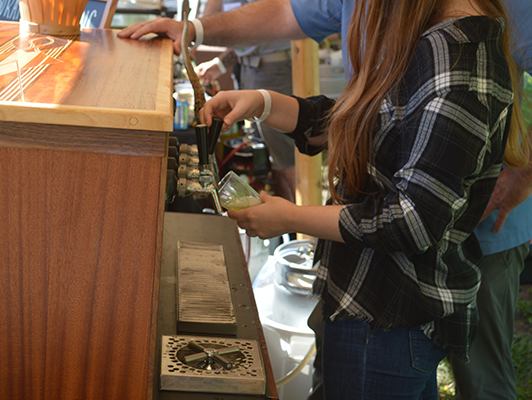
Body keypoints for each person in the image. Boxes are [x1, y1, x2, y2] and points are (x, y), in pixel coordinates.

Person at [119, 0, 532, 398]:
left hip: (388, 316)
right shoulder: (432, 37)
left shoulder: (457, 67)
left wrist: (291, 217)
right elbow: (372, 123)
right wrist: (265, 104)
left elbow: (413, 219)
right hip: (367, 302)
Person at [196, 0, 296, 202]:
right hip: (250, 68)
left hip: (271, 70)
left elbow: (251, 25)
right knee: (263, 149)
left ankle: (295, 222)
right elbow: (245, 40)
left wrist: (194, 32)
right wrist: (220, 64)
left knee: (283, 156)